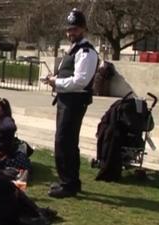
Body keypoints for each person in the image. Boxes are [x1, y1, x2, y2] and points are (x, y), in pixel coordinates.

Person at [42, 9, 99, 198]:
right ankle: (68, 181)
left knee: (64, 141)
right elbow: (68, 73)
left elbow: (80, 81)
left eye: (74, 29)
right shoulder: (73, 50)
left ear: (83, 29)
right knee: (66, 142)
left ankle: (69, 184)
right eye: (68, 29)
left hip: (75, 102)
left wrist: (56, 82)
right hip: (66, 100)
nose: (70, 33)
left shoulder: (86, 52)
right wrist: (54, 78)